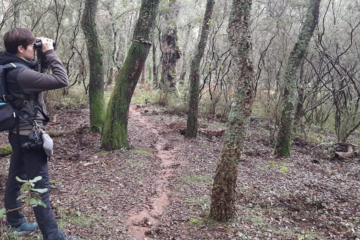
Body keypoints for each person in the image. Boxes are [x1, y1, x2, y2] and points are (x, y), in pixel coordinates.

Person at [0, 28, 78, 240]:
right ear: (20, 48)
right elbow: (61, 80)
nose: (35, 48)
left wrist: (41, 55)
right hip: (30, 137)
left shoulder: (9, 66)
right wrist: (50, 53)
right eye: (32, 45)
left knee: (16, 180)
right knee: (40, 187)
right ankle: (53, 237)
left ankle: (15, 222)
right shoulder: (21, 74)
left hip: (18, 133)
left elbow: (37, 75)